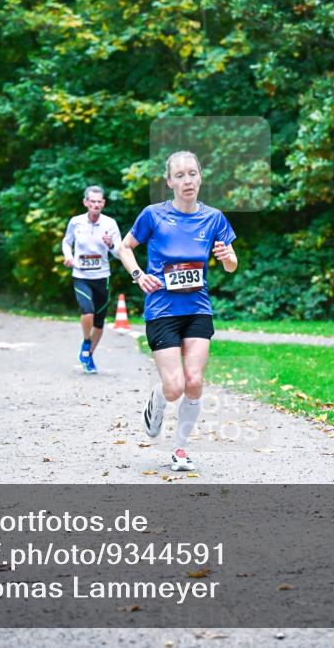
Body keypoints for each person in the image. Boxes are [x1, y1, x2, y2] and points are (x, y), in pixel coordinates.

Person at [117, 151, 238, 472]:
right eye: (180, 175)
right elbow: (124, 247)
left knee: (194, 380)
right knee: (174, 387)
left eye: (192, 174)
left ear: (200, 177)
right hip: (162, 310)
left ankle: (181, 449)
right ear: (169, 182)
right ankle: (157, 400)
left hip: (198, 308)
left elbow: (231, 265)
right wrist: (138, 275)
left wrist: (227, 255)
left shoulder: (214, 218)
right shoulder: (153, 216)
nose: (187, 180)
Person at [61, 186, 122, 374]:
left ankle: (88, 356)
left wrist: (110, 244)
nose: (96, 205)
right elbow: (66, 241)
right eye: (92, 201)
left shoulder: (110, 224)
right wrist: (68, 256)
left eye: (99, 202)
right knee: (87, 311)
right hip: (81, 276)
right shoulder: (76, 222)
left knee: (99, 323)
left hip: (102, 277)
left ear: (103, 203)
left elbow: (120, 252)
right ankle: (86, 342)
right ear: (86, 203)